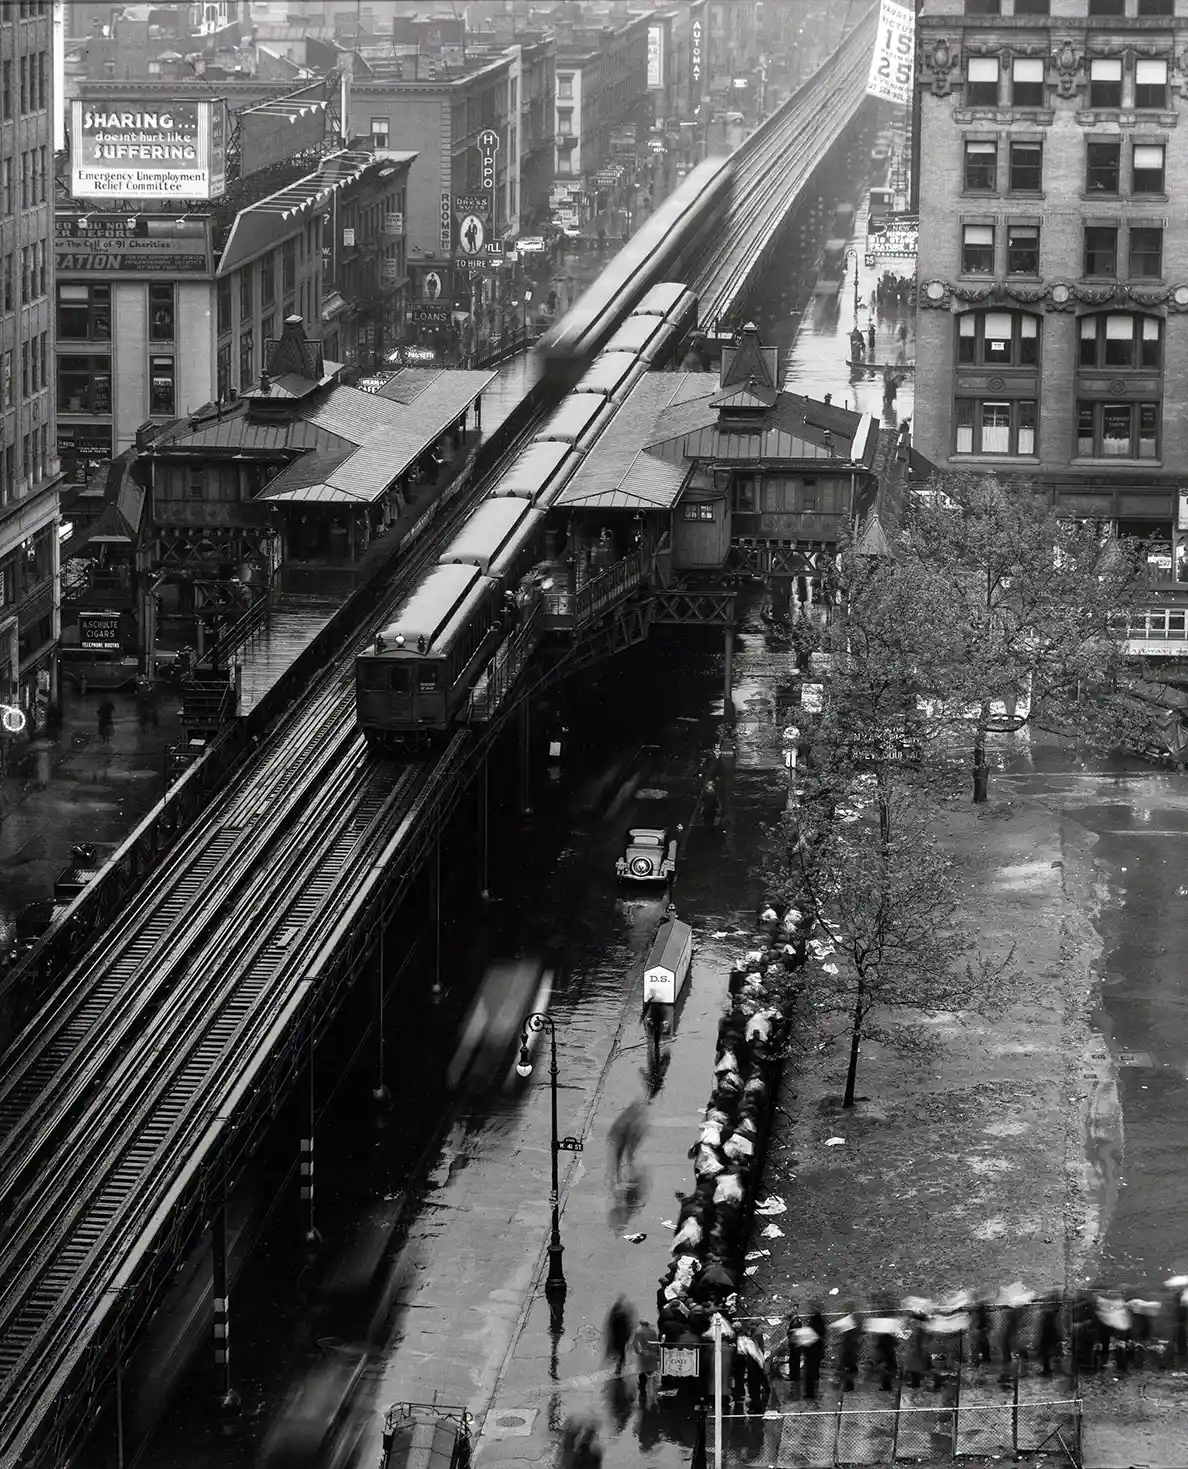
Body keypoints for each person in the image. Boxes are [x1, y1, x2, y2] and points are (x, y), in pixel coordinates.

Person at [606, 1296, 636, 1375]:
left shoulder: (616, 1316)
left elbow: (612, 1325)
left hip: (618, 1336)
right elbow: (628, 1326)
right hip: (622, 1336)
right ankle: (620, 1364)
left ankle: (619, 1365)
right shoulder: (623, 1316)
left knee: (619, 1350)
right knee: (621, 1351)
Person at [633, 1318, 659, 1407]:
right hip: (652, 1354)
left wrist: (639, 1352)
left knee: (642, 1373)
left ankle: (643, 1392)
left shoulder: (638, 1332)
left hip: (644, 1354)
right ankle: (653, 1395)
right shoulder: (653, 1332)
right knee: (652, 1372)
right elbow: (656, 1344)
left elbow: (635, 1344)